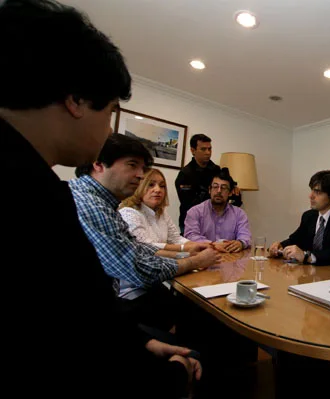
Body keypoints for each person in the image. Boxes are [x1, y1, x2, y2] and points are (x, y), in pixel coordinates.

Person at [0, 0, 201, 396]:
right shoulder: (44, 196)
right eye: (110, 111)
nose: (144, 180)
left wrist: (137, 341)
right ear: (75, 100)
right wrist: (172, 375)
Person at [71, 134, 220, 330]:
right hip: (116, 302)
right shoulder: (93, 205)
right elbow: (136, 267)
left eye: (142, 169)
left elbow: (138, 248)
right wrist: (194, 260)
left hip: (118, 298)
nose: (140, 175)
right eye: (132, 165)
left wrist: (188, 251)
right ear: (98, 164)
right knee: (197, 313)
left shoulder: (106, 205)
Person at [269, 170, 330, 265]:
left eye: (317, 192)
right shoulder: (309, 215)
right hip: (308, 273)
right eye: (312, 190)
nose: (310, 196)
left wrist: (308, 256)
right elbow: (296, 239)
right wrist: (279, 246)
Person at [119, 167, 208, 254]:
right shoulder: (128, 212)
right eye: (151, 185)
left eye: (162, 186)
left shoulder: (161, 212)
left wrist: (203, 246)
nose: (158, 190)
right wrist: (183, 248)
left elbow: (176, 239)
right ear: (138, 187)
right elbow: (146, 246)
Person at [175, 133, 242, 231]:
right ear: (193, 151)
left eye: (209, 149)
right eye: (203, 149)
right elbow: (189, 204)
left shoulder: (217, 170)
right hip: (193, 222)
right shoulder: (185, 174)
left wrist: (233, 191)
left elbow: (232, 198)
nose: (208, 152)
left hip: (217, 220)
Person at [184, 169, 251, 253]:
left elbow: (245, 236)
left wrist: (240, 243)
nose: (219, 191)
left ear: (230, 193)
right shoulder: (195, 212)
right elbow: (191, 236)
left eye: (223, 188)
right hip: (202, 258)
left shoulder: (239, 214)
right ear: (209, 190)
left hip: (230, 258)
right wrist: (213, 245)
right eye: (215, 187)